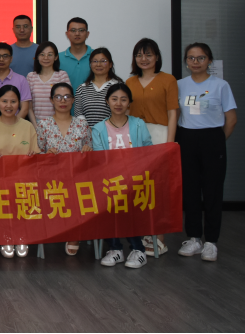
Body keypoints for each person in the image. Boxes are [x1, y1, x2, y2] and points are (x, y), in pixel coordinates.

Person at [175, 42, 237, 263]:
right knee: (190, 191)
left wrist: (217, 141)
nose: (196, 62)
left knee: (212, 191)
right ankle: (194, 238)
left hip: (212, 139)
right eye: (191, 58)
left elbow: (231, 119)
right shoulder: (179, 85)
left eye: (201, 58)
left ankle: (211, 241)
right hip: (186, 138)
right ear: (186, 61)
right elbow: (175, 114)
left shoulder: (221, 85)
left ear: (209, 60)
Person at [125, 38, 180, 256]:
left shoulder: (168, 80)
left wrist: (170, 144)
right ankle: (142, 233)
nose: (144, 59)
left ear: (157, 57)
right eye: (139, 55)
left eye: (148, 54)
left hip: (160, 135)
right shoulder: (130, 82)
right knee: (139, 186)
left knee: (159, 188)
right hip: (136, 137)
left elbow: (173, 113)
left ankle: (159, 237)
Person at [92, 84, 153, 270]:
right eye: (114, 99)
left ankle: (138, 250)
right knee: (109, 199)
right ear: (107, 102)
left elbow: (148, 151)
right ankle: (115, 249)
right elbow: (99, 159)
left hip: (135, 179)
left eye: (123, 99)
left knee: (127, 199)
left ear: (129, 103)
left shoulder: (138, 124)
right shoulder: (98, 128)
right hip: (110, 181)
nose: (118, 103)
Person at [0, 85, 39, 259]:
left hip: (23, 180)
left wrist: (33, 155)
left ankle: (21, 235)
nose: (8, 105)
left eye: (13, 101)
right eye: (4, 101)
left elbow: (36, 154)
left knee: (24, 198)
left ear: (19, 103)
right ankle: (6, 236)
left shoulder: (28, 126)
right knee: (2, 200)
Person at [36, 82, 92, 256]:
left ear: (73, 100)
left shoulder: (82, 125)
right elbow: (37, 154)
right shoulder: (43, 125)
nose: (63, 101)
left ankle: (74, 233)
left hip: (77, 178)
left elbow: (91, 154)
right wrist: (45, 155)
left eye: (67, 97)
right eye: (58, 97)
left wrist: (87, 151)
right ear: (51, 100)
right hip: (51, 179)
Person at [75, 47, 122, 128]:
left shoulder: (118, 86)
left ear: (110, 64)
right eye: (95, 61)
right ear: (90, 64)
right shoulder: (82, 88)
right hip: (86, 133)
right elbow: (78, 113)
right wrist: (88, 130)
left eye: (103, 61)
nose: (98, 64)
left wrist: (104, 131)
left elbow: (121, 111)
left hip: (111, 132)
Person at [26, 42, 71, 125]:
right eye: (42, 54)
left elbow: (67, 101)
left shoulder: (62, 75)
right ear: (37, 57)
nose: (46, 58)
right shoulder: (31, 76)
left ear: (56, 57)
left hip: (58, 123)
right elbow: (28, 107)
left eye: (50, 54)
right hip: (36, 123)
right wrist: (36, 126)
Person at [59, 17, 93, 114]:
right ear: (67, 34)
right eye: (73, 30)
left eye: (81, 30)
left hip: (92, 112)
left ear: (87, 34)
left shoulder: (97, 58)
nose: (77, 34)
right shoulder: (57, 58)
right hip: (64, 113)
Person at [0, 43, 32, 120]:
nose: (1, 59)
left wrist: (12, 124)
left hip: (15, 125)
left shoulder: (21, 80)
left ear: (11, 59)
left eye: (5, 56)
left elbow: (24, 109)